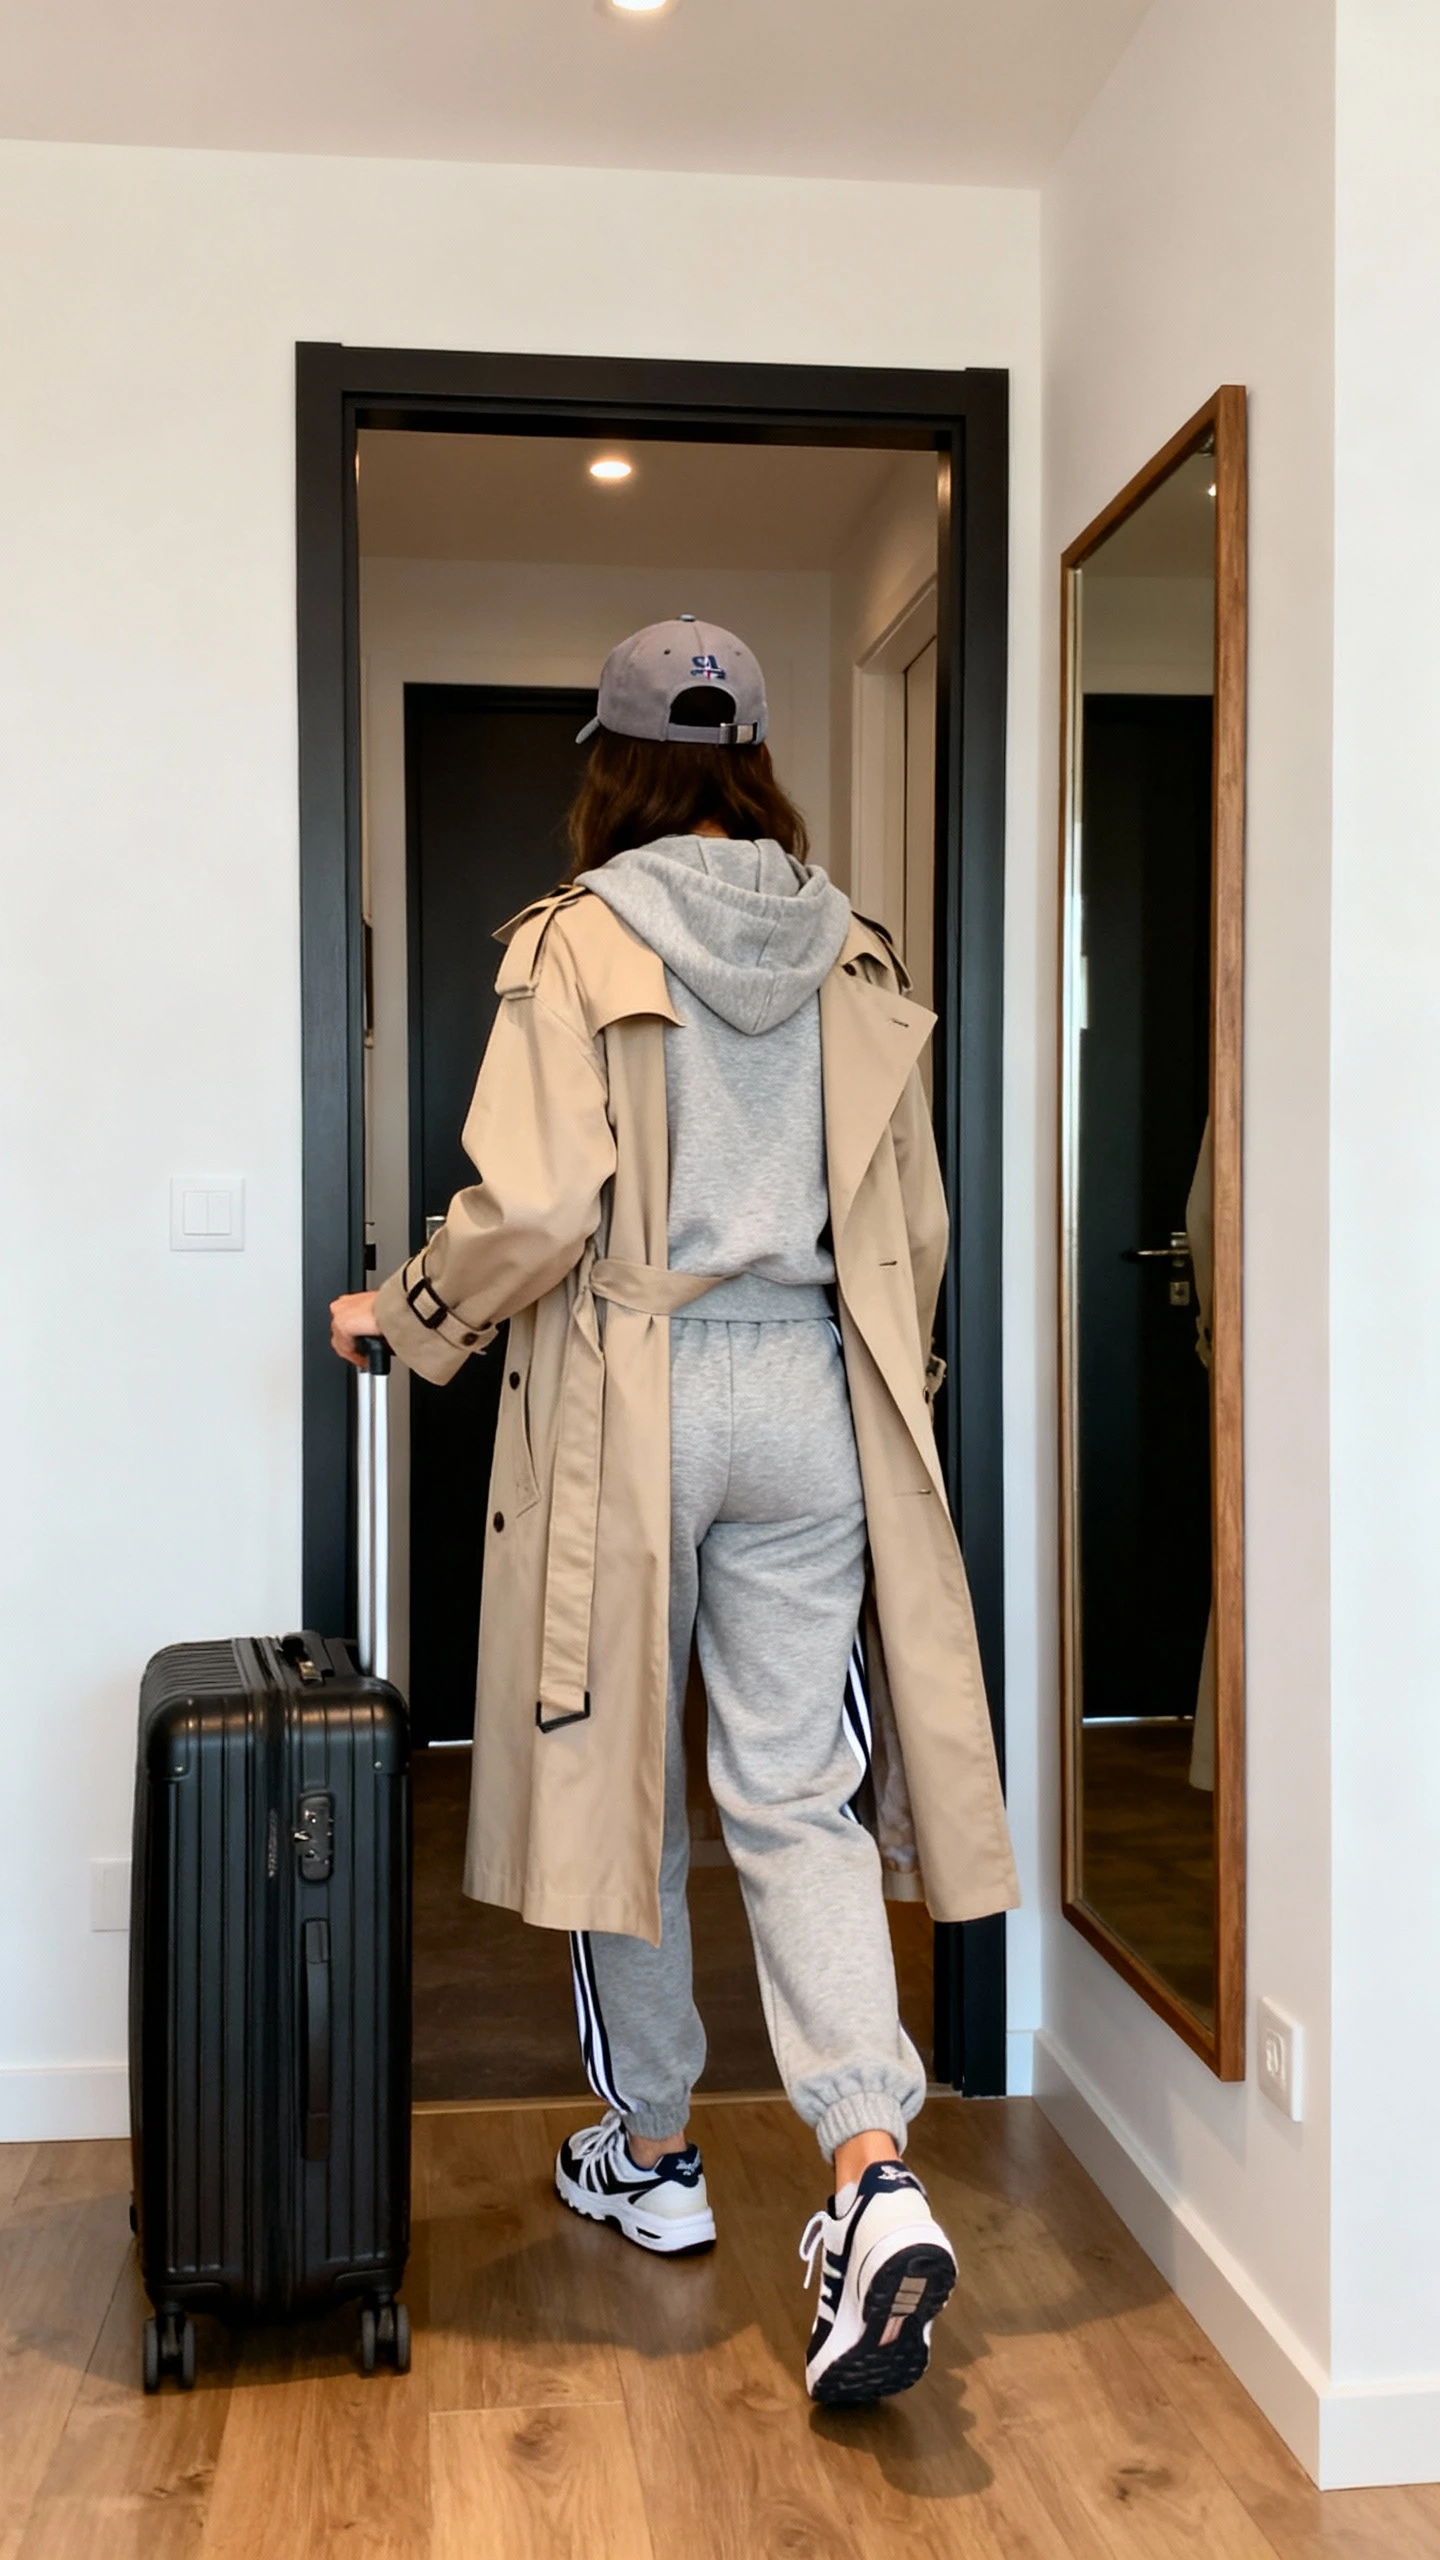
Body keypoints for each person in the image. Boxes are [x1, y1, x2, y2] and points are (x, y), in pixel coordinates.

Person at [331, 616, 1018, 2405]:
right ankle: (871, 2174)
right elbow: (916, 1230)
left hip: (640, 1388)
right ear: (758, 755)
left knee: (624, 1776)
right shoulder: (849, 942)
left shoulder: (579, 937)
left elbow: (538, 1205)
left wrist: (406, 1317)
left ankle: (651, 2154)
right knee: (797, 1792)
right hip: (812, 1390)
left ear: (617, 763)